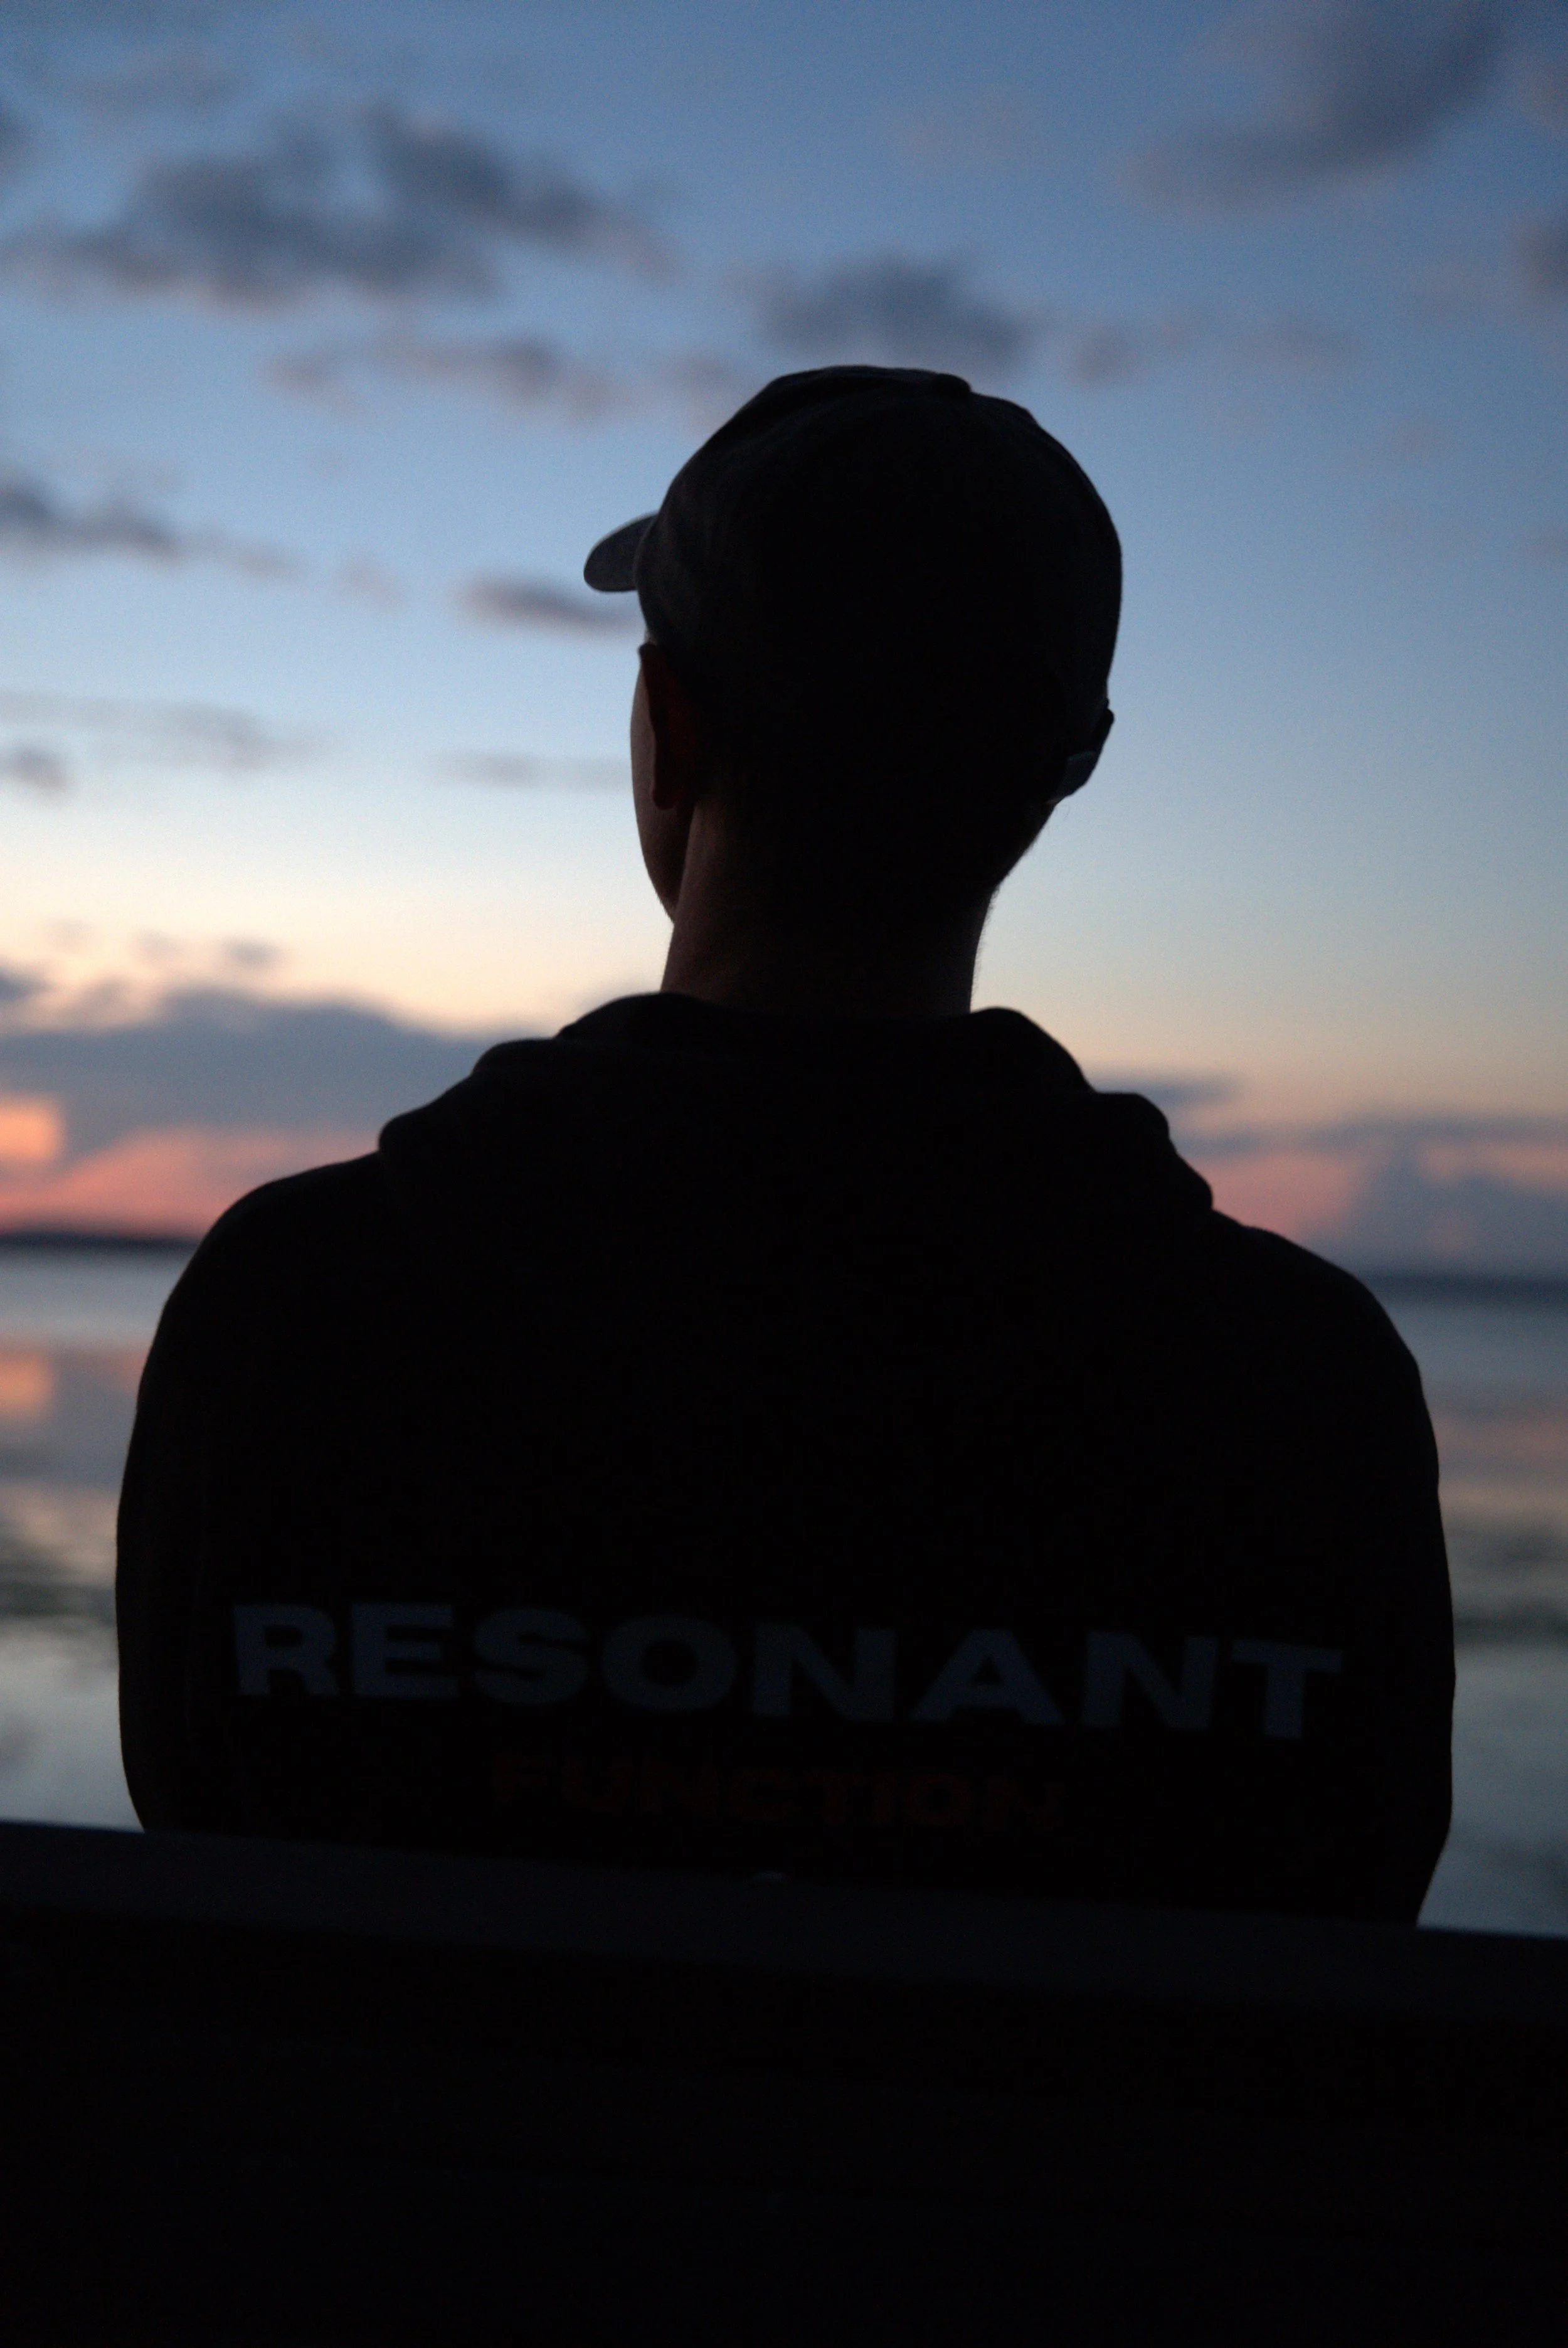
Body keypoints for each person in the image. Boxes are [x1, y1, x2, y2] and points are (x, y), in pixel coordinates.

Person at [117, 365, 1453, 1917]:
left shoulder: (293, 1315)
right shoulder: (1298, 1392)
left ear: (668, 727)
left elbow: (200, 1867)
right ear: (1060, 768)